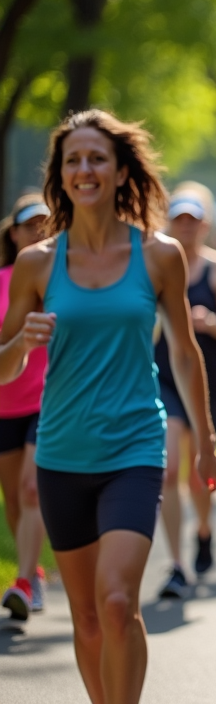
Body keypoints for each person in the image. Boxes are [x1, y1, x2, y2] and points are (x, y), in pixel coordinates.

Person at [0, 109, 216, 704]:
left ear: (122, 170)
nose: (85, 169)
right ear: (61, 175)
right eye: (73, 160)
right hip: (62, 451)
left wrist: (204, 440)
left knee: (119, 601)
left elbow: (183, 352)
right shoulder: (38, 263)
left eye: (97, 157)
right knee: (88, 620)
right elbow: (4, 367)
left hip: (133, 447)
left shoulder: (159, 255)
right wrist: (20, 343)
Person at [154, 184, 216, 598]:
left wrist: (210, 321)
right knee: (170, 468)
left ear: (205, 225)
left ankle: (204, 531)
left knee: (198, 471)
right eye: (179, 220)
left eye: (193, 221)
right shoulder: (155, 263)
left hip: (210, 381)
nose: (186, 228)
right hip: (165, 375)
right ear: (168, 222)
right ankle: (176, 565)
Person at [0, 194, 50, 620]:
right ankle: (31, 566)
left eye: (45, 223)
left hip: (46, 400)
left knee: (32, 490)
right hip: (4, 403)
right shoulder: (2, 280)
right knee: (12, 500)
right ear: (13, 232)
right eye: (29, 224)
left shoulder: (60, 277)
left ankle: (24, 582)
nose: (37, 229)